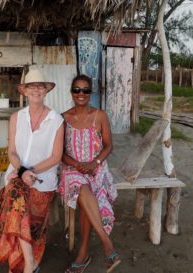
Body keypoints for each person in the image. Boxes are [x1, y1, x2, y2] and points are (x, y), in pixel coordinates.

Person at [0, 69, 64, 273]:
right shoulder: (16, 118)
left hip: (43, 180)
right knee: (15, 192)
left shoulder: (56, 121)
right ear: (25, 91)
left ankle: (27, 259)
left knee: (21, 207)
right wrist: (22, 171)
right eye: (31, 86)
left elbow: (56, 157)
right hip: (17, 175)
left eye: (40, 86)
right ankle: (30, 264)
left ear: (46, 90)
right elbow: (11, 151)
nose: (36, 90)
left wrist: (29, 171)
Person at [59, 75, 120, 273]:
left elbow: (109, 145)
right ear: (71, 92)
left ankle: (83, 253)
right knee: (80, 187)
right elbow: (60, 153)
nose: (81, 94)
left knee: (86, 198)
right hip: (71, 169)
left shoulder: (100, 115)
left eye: (85, 90)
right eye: (77, 90)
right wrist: (77, 164)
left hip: (97, 168)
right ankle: (107, 244)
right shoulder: (64, 118)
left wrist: (95, 162)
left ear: (91, 92)